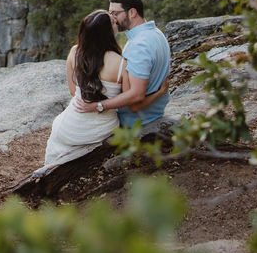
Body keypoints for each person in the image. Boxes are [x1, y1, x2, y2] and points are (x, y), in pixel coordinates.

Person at [41, 9, 168, 170]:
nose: (117, 22)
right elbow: (132, 102)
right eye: (114, 22)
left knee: (58, 131)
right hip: (100, 129)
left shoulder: (74, 52)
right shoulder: (121, 63)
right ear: (108, 33)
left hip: (67, 128)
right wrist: (159, 93)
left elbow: (74, 92)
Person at [74, 0, 171, 128]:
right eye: (110, 13)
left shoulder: (139, 46)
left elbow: (136, 97)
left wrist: (99, 106)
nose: (112, 18)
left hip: (134, 121)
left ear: (132, 12)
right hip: (153, 113)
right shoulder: (156, 33)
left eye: (115, 13)